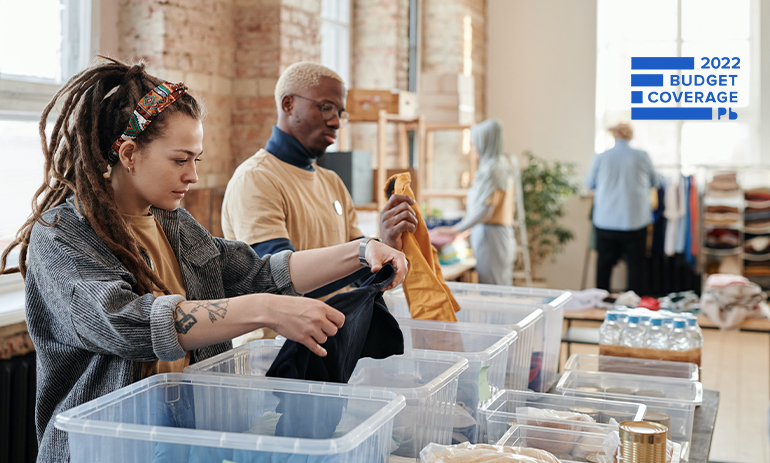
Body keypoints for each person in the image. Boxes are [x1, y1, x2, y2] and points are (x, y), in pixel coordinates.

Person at [0, 58, 407, 462]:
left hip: (186, 442)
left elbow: (256, 272)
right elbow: (127, 322)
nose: (192, 175)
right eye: (180, 160)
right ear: (128, 153)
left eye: (196, 159)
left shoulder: (170, 221)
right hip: (107, 451)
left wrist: (360, 251)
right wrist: (265, 309)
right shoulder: (61, 235)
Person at [221, 62, 417, 299]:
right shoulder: (256, 179)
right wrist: (364, 251)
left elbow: (361, 278)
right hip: (275, 336)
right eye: (326, 108)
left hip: (331, 333)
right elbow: (277, 283)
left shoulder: (332, 182)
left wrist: (386, 243)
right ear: (288, 104)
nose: (335, 122)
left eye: (340, 113)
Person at [429, 119, 516, 286]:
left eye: (475, 144)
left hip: (492, 236)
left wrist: (455, 229)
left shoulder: (493, 168)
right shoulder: (499, 165)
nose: (472, 149)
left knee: (494, 289)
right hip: (493, 234)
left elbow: (486, 210)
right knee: (498, 286)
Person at [585, 122, 658, 294]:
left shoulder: (601, 157)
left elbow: (590, 184)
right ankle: (634, 307)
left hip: (606, 220)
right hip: (635, 221)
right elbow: (654, 182)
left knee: (604, 266)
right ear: (630, 136)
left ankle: (600, 303)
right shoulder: (642, 156)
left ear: (614, 135)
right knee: (636, 267)